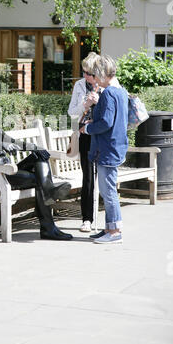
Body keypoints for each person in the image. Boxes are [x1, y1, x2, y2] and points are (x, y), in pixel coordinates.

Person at [0, 96, 73, 241]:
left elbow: (16, 143)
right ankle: (48, 226)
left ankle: (48, 190)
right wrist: (0, 145)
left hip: (9, 171)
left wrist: (35, 148)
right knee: (40, 181)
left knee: (39, 157)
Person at [79, 54, 128, 244]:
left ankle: (114, 231)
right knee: (108, 190)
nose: (95, 79)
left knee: (108, 192)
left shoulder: (108, 93)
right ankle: (109, 228)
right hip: (115, 146)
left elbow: (106, 122)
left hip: (107, 148)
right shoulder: (120, 91)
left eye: (96, 75)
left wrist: (89, 127)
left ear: (103, 74)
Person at [68, 52, 101, 233]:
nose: (85, 76)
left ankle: (110, 222)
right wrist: (85, 105)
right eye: (84, 72)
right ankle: (87, 218)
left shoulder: (106, 85)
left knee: (103, 176)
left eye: (89, 73)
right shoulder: (79, 86)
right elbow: (72, 113)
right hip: (85, 135)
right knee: (88, 177)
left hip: (102, 136)